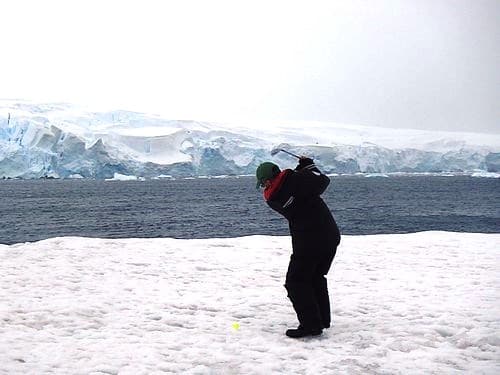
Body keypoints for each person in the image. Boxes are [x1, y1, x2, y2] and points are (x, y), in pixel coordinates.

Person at [256, 157, 341, 338]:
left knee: (296, 283)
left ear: (269, 180)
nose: (264, 187)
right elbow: (320, 180)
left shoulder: (274, 197)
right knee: (316, 277)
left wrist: (303, 170)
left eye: (264, 183)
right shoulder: (298, 179)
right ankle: (321, 320)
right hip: (330, 236)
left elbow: (292, 186)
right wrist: (307, 165)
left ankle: (311, 325)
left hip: (309, 241)